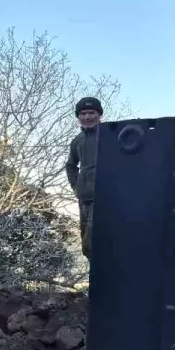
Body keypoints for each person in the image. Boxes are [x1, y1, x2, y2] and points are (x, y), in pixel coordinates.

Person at [65, 96, 102, 259]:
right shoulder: (77, 141)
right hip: (84, 198)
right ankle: (95, 279)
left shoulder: (110, 135)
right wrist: (76, 187)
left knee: (95, 241)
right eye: (83, 113)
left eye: (91, 112)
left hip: (104, 197)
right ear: (78, 117)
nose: (87, 117)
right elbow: (71, 165)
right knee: (86, 243)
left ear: (99, 114)